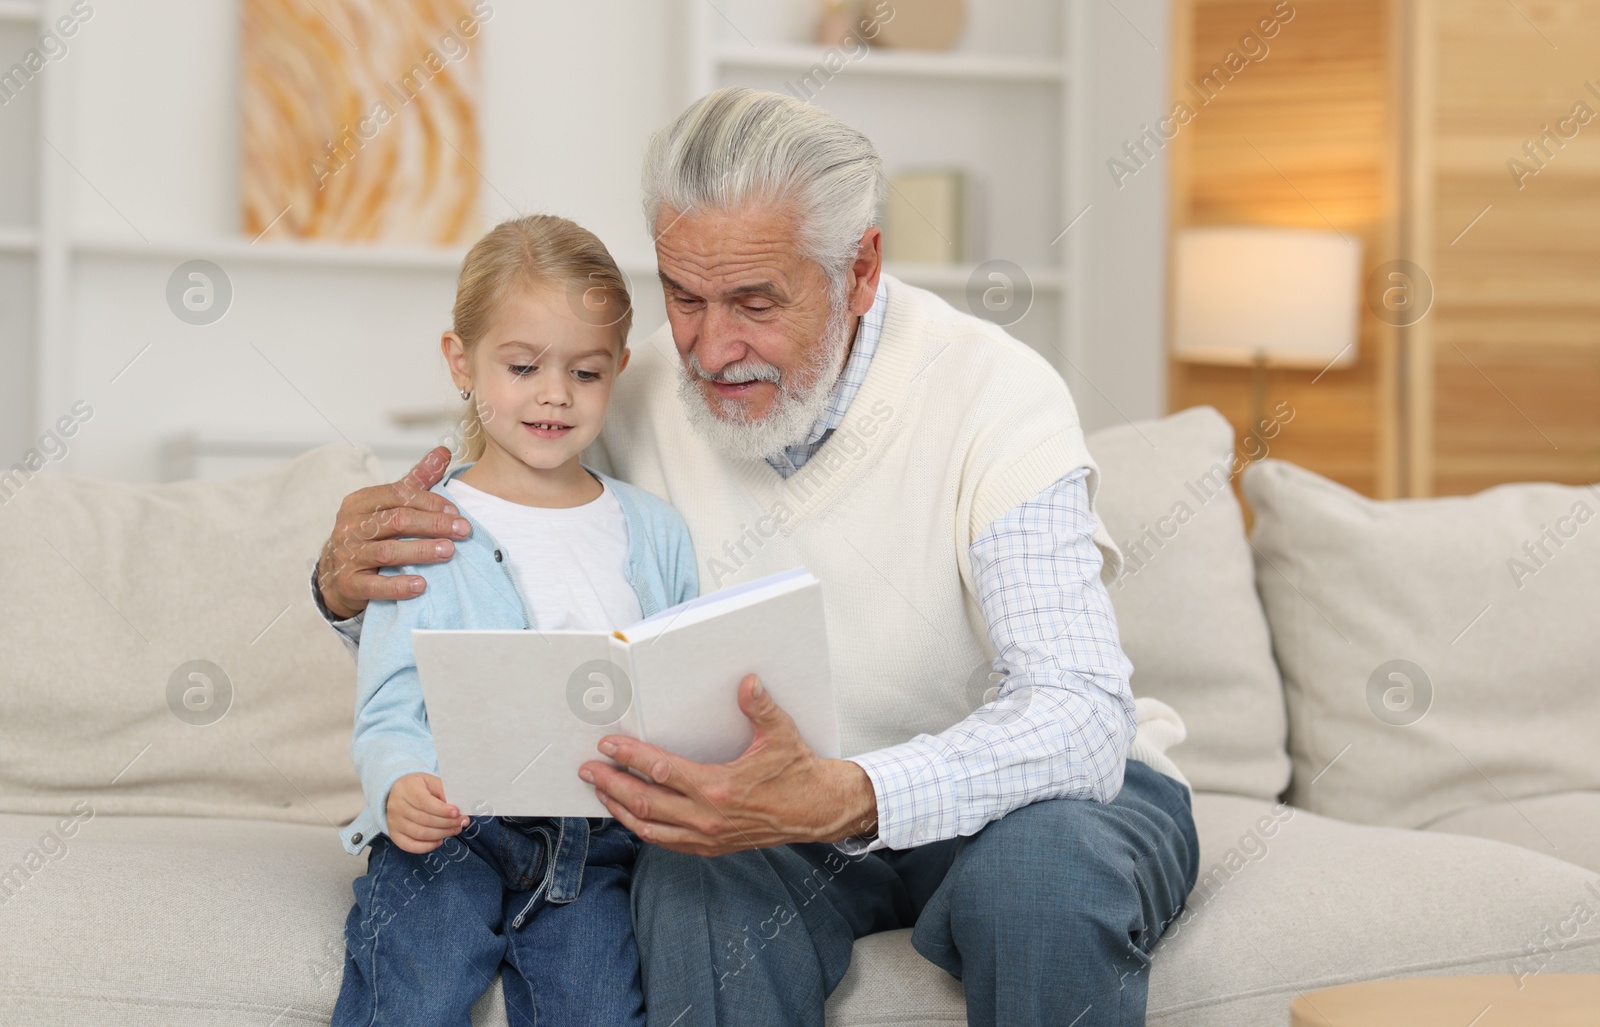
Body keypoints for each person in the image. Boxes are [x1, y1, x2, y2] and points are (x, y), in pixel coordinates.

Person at [314, 88, 1198, 1027]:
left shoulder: (995, 392)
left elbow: (1079, 714)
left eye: (755, 301)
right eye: (683, 296)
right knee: (694, 888)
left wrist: (854, 793)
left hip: (1027, 803)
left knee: (1043, 881)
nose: (712, 346)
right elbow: (513, 611)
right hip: (762, 813)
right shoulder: (622, 386)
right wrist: (348, 590)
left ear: (859, 271)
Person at [330, 214, 698, 1027]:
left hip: (596, 843)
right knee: (411, 995)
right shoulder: (424, 525)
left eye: (587, 372)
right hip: (450, 828)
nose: (555, 394)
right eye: (523, 365)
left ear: (619, 371)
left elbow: (678, 687)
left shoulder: (654, 531)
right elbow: (389, 701)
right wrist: (398, 785)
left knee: (601, 1008)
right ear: (462, 362)